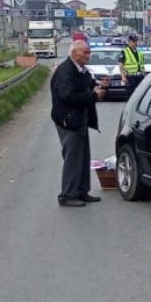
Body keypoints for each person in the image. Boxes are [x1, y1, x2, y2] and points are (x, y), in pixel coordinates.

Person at [50, 41, 109, 207]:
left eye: (89, 52)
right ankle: (67, 195)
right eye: (85, 53)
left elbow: (89, 86)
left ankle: (81, 191)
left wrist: (101, 86)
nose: (88, 56)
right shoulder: (65, 72)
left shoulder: (82, 71)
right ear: (74, 53)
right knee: (73, 158)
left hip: (80, 119)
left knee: (83, 157)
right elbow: (68, 97)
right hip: (68, 120)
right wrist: (93, 95)